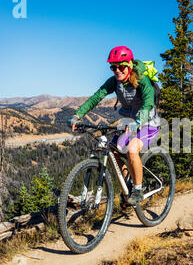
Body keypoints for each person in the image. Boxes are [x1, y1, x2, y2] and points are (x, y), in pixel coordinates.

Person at [67, 46, 161, 207]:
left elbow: (148, 102)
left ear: (130, 65)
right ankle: (127, 186)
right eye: (113, 67)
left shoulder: (142, 79)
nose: (117, 70)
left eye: (121, 66)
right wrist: (78, 115)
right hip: (128, 123)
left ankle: (138, 190)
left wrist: (138, 122)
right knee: (113, 150)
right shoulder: (115, 82)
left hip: (148, 122)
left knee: (132, 149)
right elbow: (97, 97)